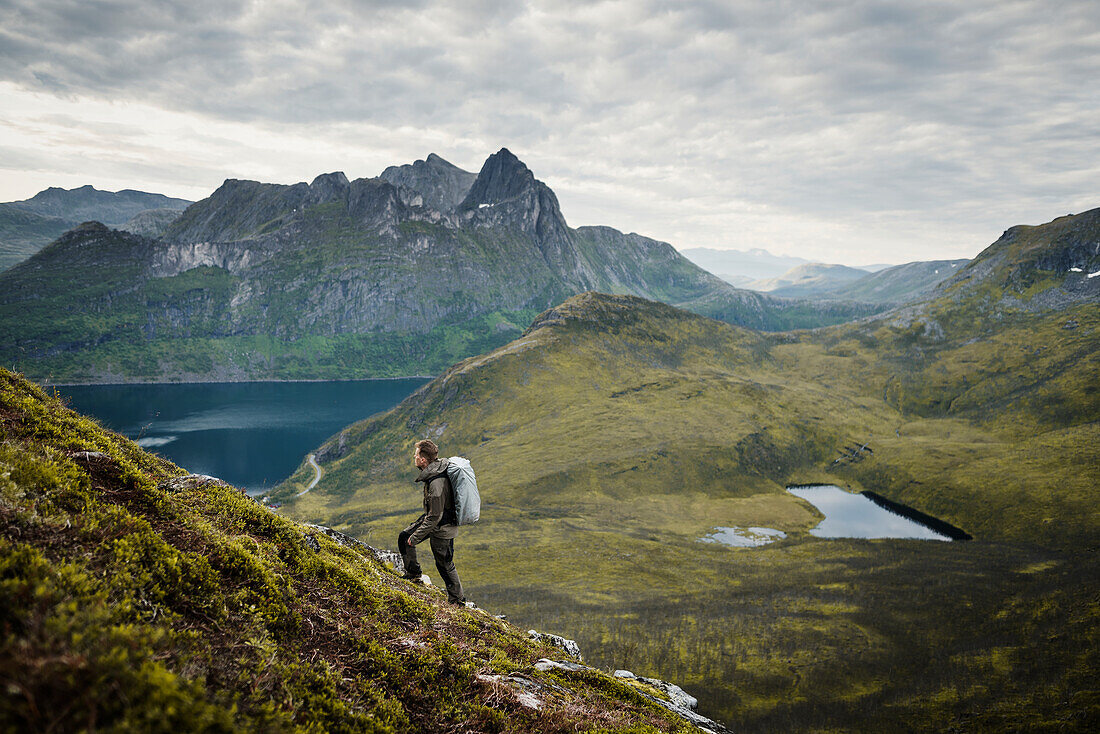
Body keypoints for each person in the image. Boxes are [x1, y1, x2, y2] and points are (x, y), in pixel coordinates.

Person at [397, 439, 466, 605]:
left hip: (443, 527)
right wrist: (412, 537)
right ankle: (413, 574)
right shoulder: (433, 473)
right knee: (404, 537)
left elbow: (435, 517)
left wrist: (416, 537)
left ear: (423, 460)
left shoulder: (436, 483)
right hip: (434, 519)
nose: (414, 457)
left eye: (416, 455)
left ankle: (458, 600)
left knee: (445, 563)